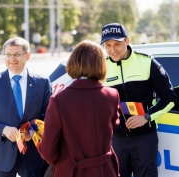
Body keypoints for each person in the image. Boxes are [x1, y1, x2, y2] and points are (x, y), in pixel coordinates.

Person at [100, 23, 177, 177]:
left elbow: (170, 98)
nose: (112, 49)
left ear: (127, 41)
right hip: (116, 140)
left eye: (117, 44)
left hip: (144, 138)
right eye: (108, 45)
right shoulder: (101, 67)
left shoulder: (147, 62)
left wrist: (146, 117)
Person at [38, 40, 120, 177]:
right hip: (105, 170)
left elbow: (48, 153)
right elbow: (113, 125)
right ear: (101, 64)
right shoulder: (112, 95)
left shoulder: (58, 100)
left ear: (73, 63)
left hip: (72, 171)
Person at [0, 36, 52, 177]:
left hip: (32, 156)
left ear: (27, 56)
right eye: (8, 55)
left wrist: (33, 131)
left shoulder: (42, 82)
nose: (12, 59)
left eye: (17, 54)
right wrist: (3, 129)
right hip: (2, 157)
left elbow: (50, 116)